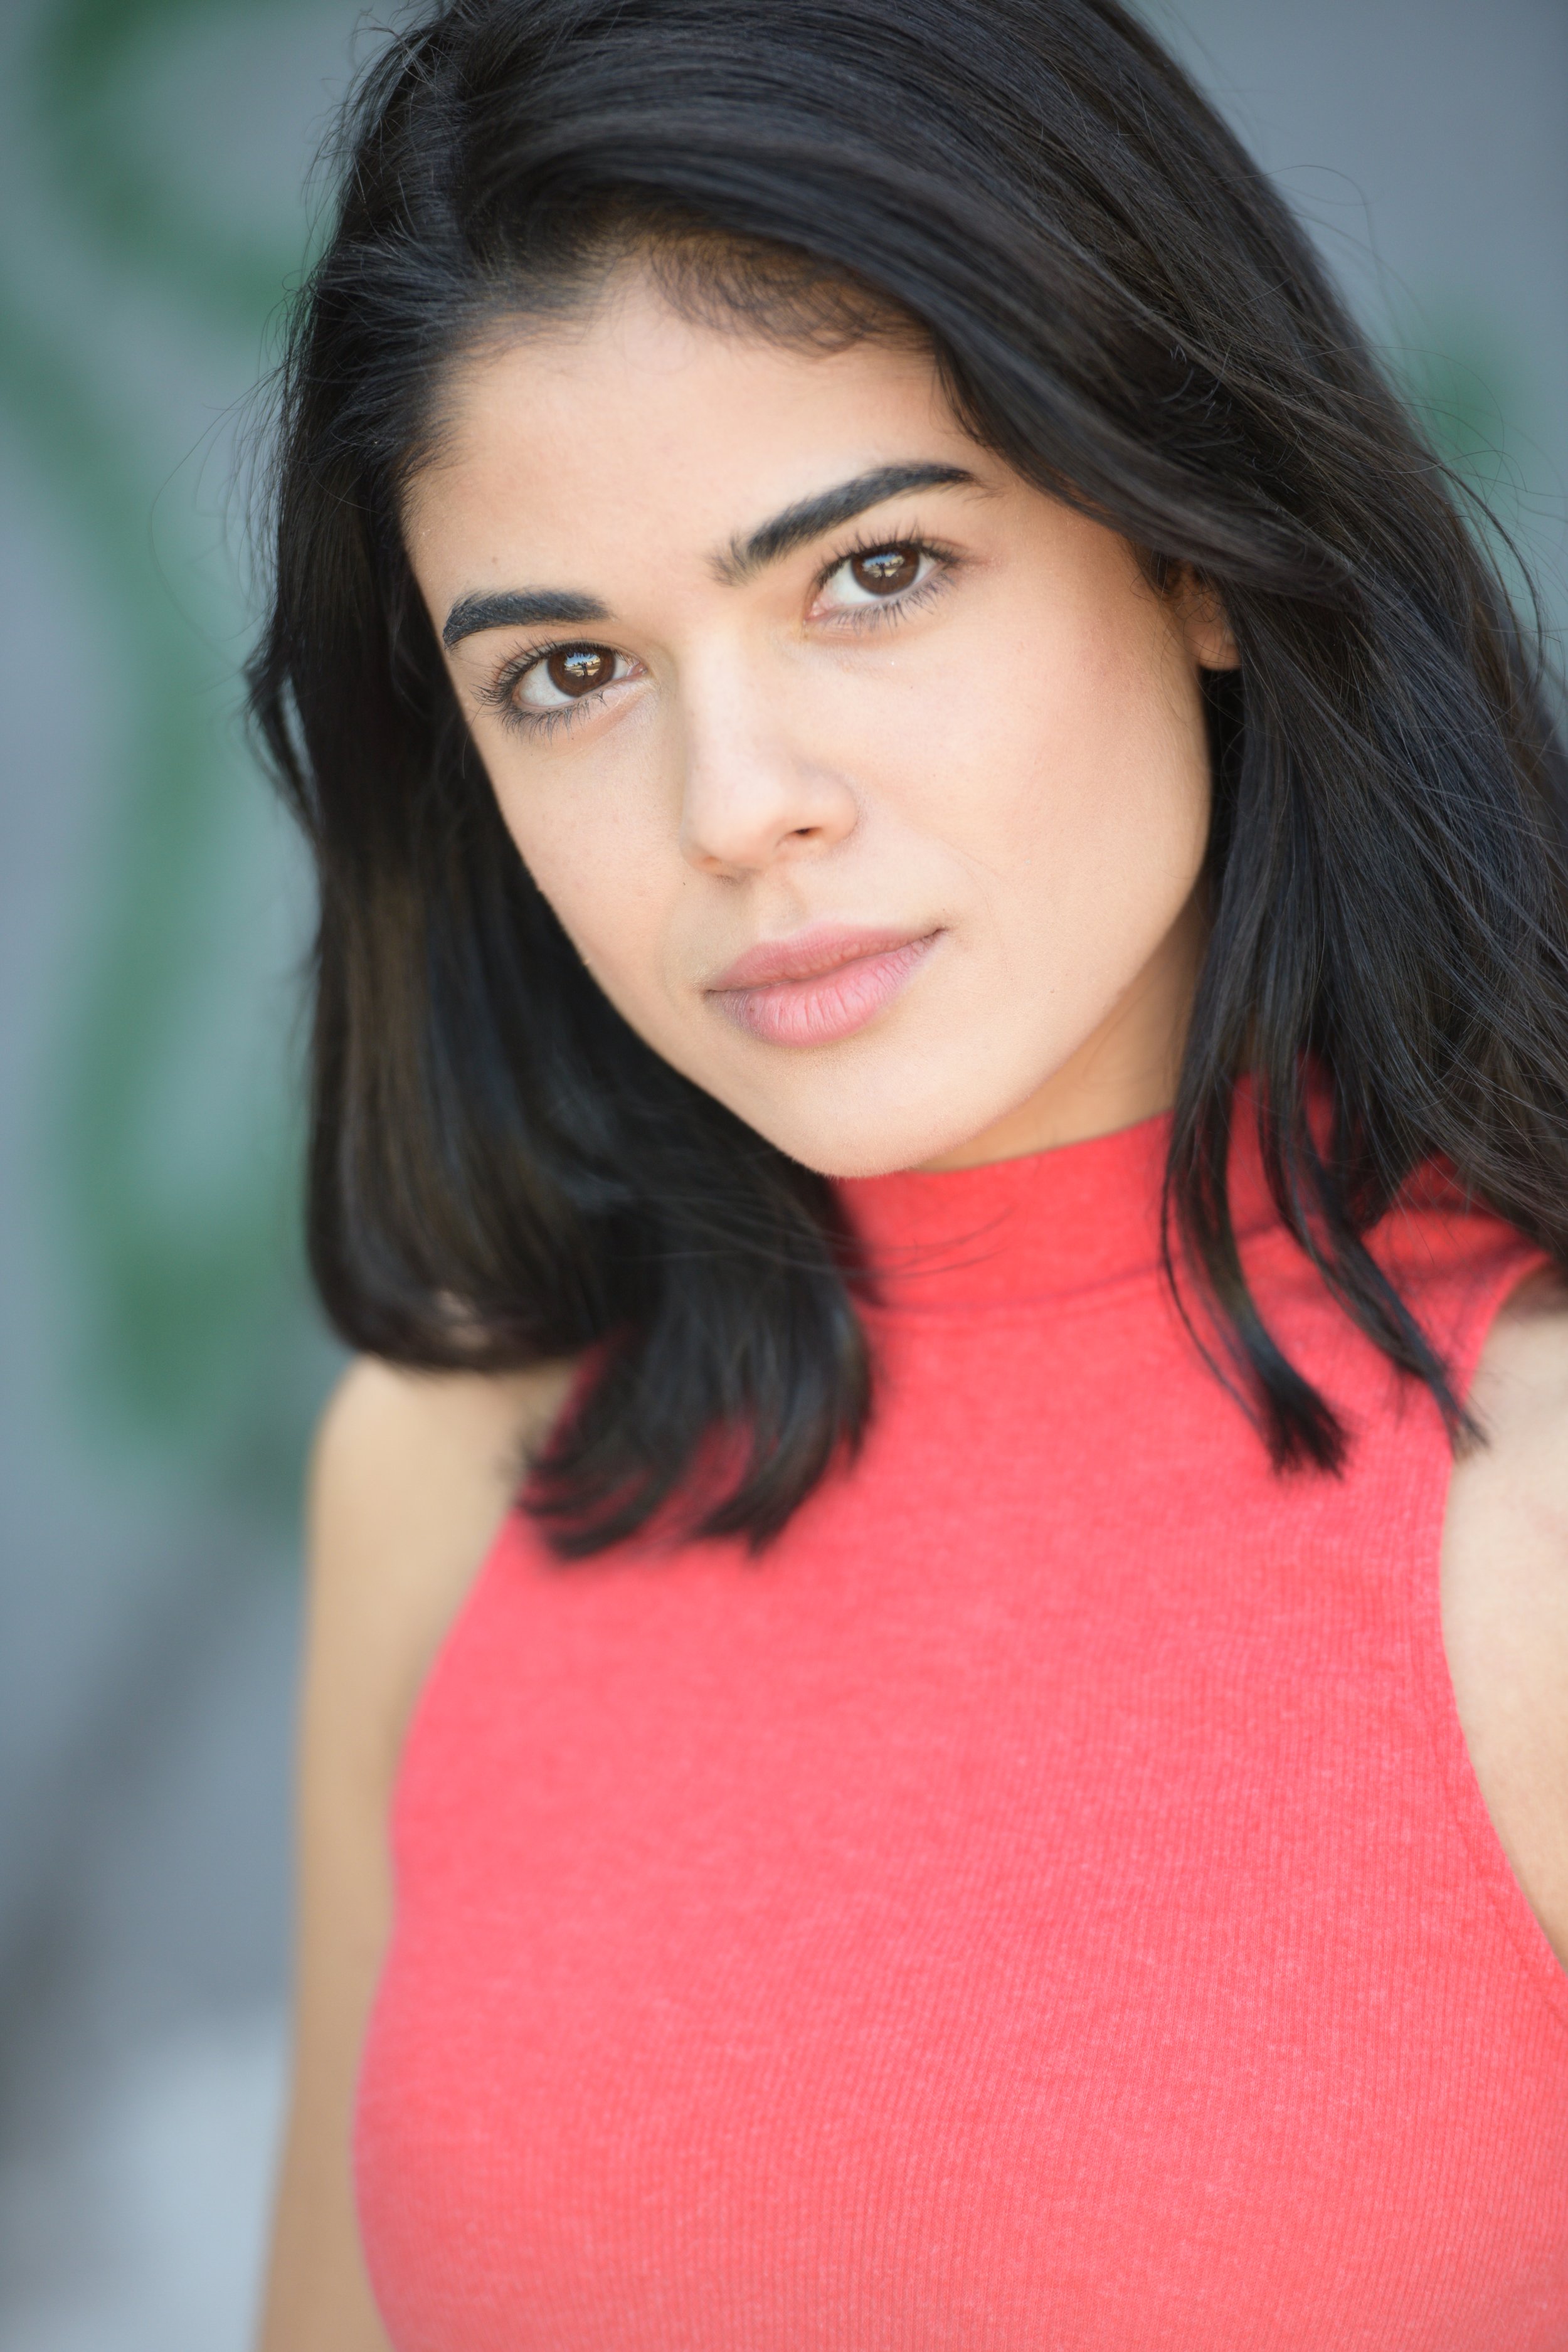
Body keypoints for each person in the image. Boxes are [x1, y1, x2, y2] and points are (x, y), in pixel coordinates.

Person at [250, 0, 1568, 2342]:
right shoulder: (459, 1471)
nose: (733, 800)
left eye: (870, 575)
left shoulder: (1531, 1520)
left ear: (1195, 544)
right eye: (568, 671)